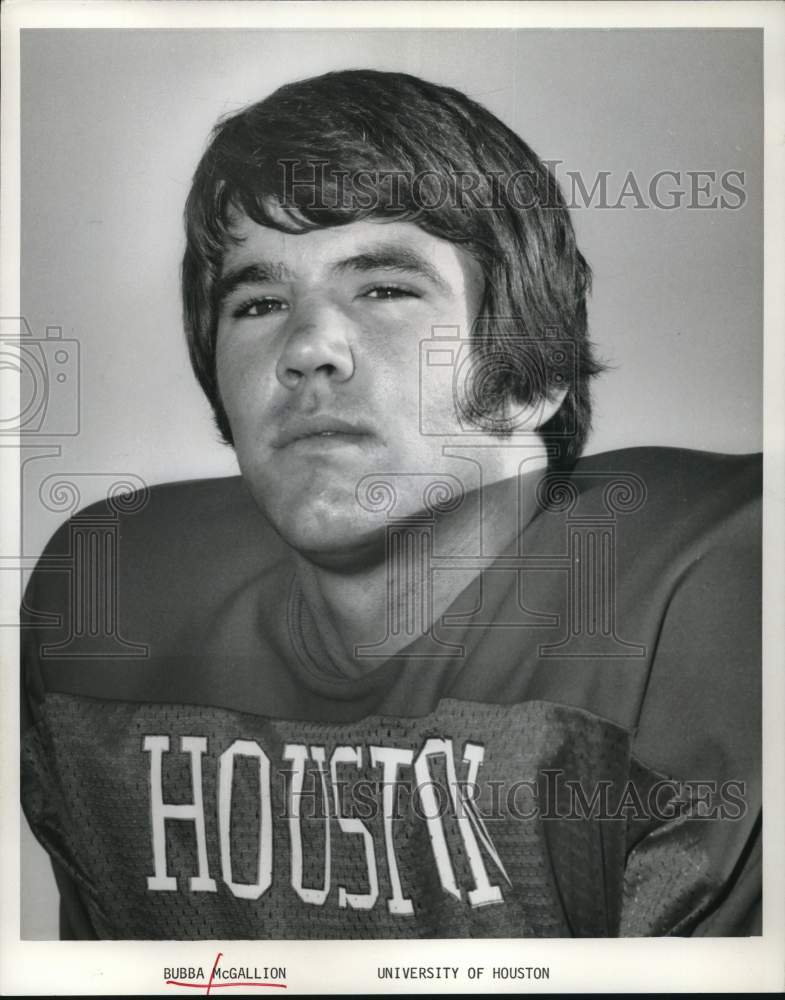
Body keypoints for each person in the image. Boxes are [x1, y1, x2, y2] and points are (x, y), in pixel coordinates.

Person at [21, 69, 761, 939]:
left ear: (535, 374)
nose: (307, 347)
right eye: (258, 302)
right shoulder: (112, 591)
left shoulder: (710, 582)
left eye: (383, 289)